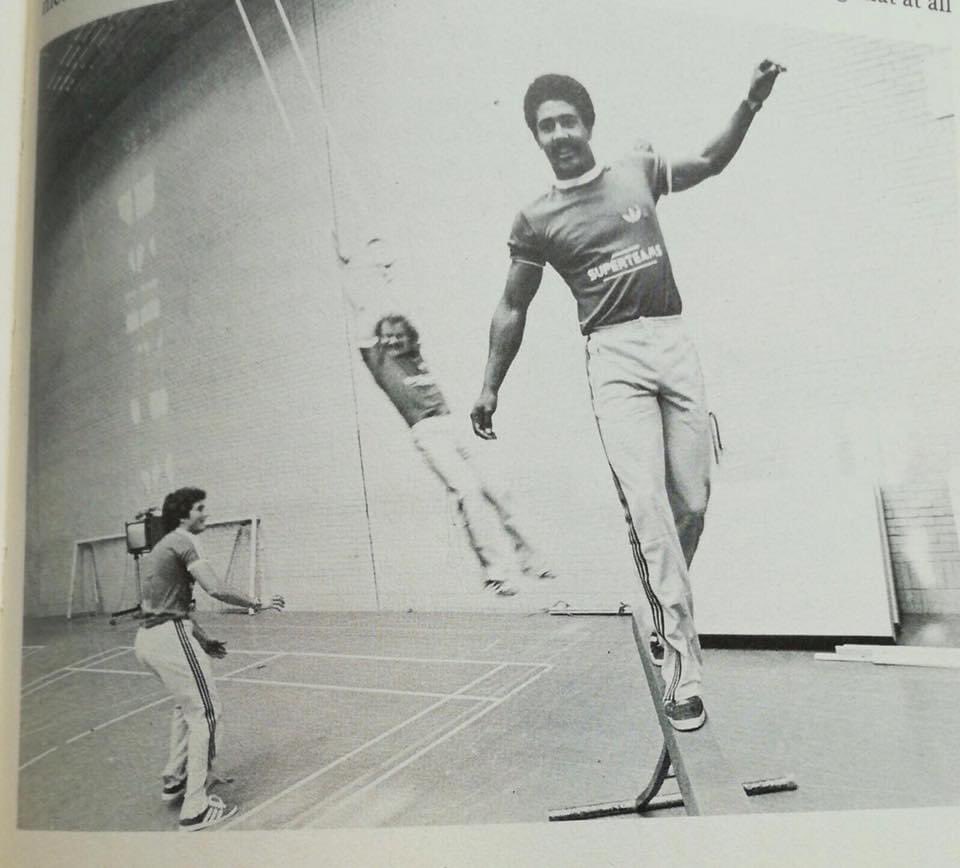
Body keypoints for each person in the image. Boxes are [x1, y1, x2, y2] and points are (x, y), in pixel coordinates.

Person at [470, 61, 785, 731]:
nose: (558, 132)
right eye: (545, 125)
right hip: (614, 356)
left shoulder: (635, 171)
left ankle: (662, 595)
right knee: (649, 507)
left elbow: (709, 159)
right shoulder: (536, 218)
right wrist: (490, 385)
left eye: (567, 120)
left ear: (588, 123)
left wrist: (751, 102)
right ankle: (684, 664)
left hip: (672, 341)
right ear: (537, 137)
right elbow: (511, 308)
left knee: (691, 503)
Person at [336, 235, 554, 597]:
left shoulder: (415, 355)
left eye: (397, 337)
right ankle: (496, 572)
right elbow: (364, 316)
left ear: (408, 338)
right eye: (385, 338)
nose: (391, 342)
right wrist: (359, 270)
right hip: (427, 433)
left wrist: (385, 274)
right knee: (466, 491)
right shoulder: (379, 361)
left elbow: (397, 312)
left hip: (454, 426)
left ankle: (530, 557)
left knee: (497, 489)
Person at [134, 486, 285, 831]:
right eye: (201, 508)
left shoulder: (162, 547)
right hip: (169, 637)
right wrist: (256, 603)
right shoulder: (185, 541)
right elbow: (214, 587)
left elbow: (174, 602)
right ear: (184, 514)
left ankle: (174, 778)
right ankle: (195, 808)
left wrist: (202, 639)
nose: (207, 513)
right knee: (206, 712)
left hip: (149, 640)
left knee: (185, 707)